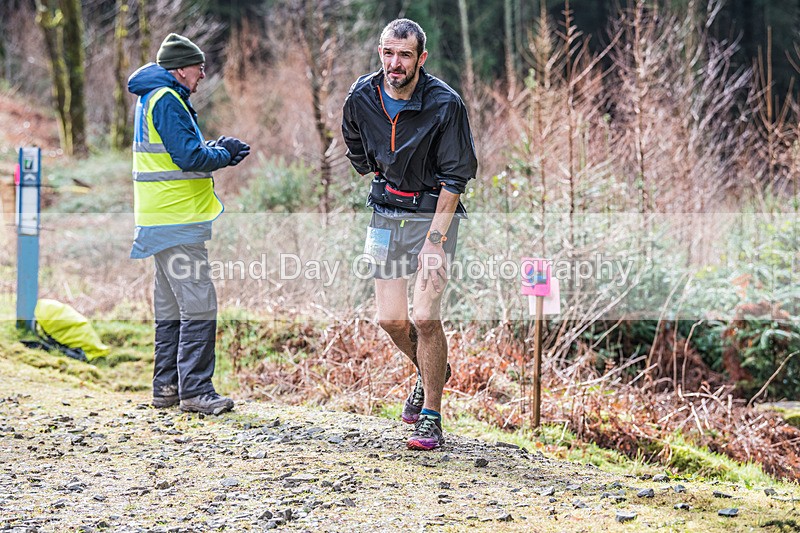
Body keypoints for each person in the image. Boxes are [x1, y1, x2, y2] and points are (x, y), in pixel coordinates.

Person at [342, 19, 478, 450]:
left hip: (432, 215)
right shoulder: (361, 96)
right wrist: (377, 167)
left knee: (424, 316)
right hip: (384, 212)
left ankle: (431, 416)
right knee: (391, 320)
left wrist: (434, 244)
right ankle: (431, 368)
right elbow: (355, 147)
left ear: (421, 58)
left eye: (404, 55)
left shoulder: (445, 105)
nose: (394, 63)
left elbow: (455, 179)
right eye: (387, 53)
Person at [128, 33, 251, 415]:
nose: (203, 74)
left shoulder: (159, 97)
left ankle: (166, 387)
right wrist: (225, 154)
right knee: (199, 303)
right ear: (181, 69)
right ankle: (196, 391)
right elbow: (188, 157)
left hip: (160, 217)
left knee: (170, 305)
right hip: (175, 218)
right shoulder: (167, 100)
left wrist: (216, 148)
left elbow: (179, 150)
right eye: (199, 67)